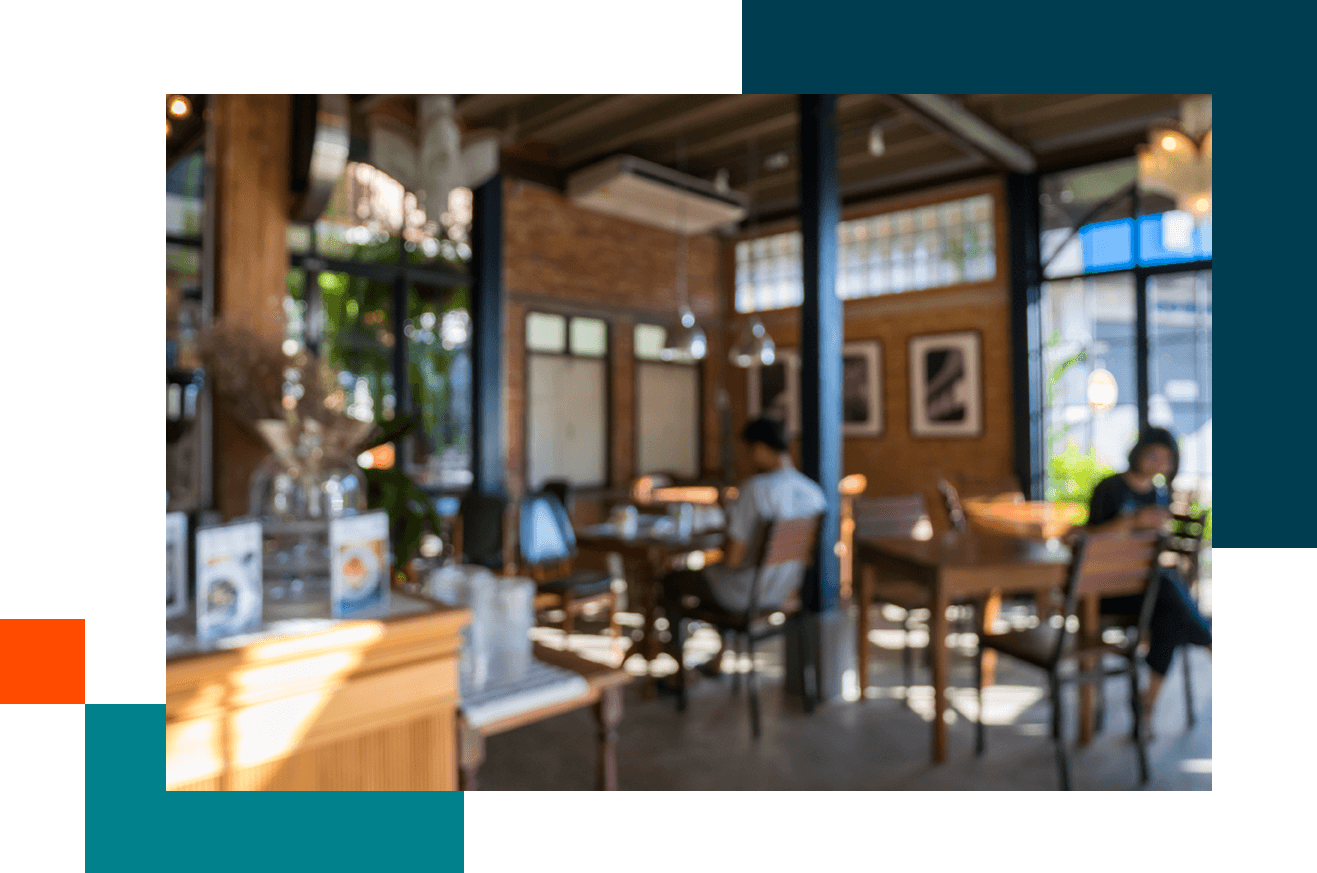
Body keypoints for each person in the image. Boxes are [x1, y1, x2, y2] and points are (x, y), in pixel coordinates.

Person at [659, 417, 827, 677]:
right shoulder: (814, 493)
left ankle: (679, 671)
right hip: (785, 593)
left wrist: (727, 533)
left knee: (671, 581)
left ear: (759, 448)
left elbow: (733, 559)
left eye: (748, 450)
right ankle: (717, 660)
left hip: (745, 595)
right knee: (718, 578)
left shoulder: (754, 490)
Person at [1083, 427, 1212, 729]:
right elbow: (1089, 541)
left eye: (1167, 459)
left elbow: (1156, 549)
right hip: (1106, 588)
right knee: (1167, 588)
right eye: (1153, 455)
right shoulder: (1110, 488)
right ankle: (1208, 641)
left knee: (1168, 612)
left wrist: (1158, 533)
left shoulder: (1159, 493)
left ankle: (1147, 704)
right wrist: (1130, 522)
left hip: (1144, 586)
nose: (1159, 463)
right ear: (1138, 453)